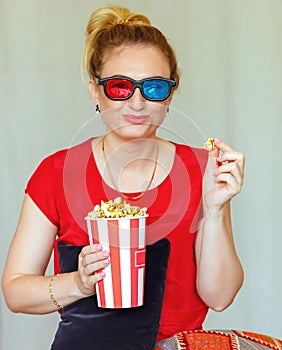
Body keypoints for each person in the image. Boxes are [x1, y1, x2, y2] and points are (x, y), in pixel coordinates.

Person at [2, 5, 245, 350]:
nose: (137, 102)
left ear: (170, 95)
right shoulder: (56, 173)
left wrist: (216, 208)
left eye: (155, 88)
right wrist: (79, 283)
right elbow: (15, 290)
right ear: (95, 91)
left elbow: (219, 297)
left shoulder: (203, 169)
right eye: (119, 87)